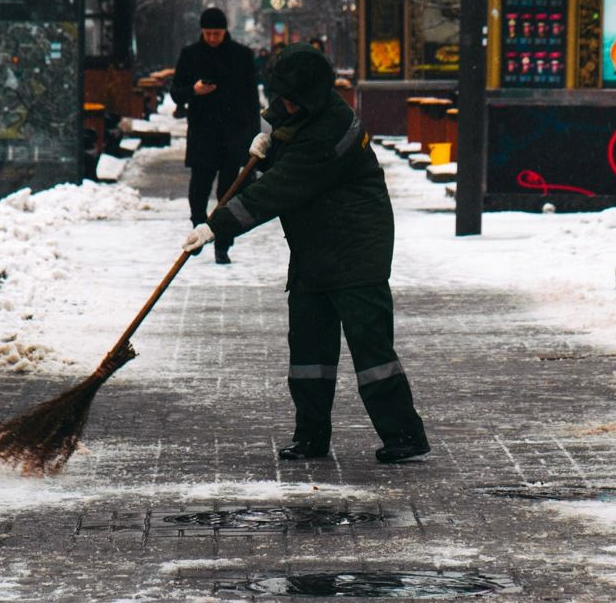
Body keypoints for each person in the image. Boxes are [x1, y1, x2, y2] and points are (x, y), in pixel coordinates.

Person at [180, 43, 430, 464]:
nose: (283, 104)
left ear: (309, 97)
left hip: (355, 249)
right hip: (316, 246)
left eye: (290, 98)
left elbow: (279, 189)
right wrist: (268, 143)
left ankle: (404, 434)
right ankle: (311, 436)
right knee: (309, 348)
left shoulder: (330, 131)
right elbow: (285, 138)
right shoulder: (306, 115)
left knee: (371, 350)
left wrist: (215, 226)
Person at [170, 7, 261, 264]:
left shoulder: (242, 56)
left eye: (217, 33)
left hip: (233, 134)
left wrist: (253, 137)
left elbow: (252, 100)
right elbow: (176, 91)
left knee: (228, 193)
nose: (212, 38)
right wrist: (194, 90)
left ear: (225, 31)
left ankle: (223, 243)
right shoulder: (190, 55)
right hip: (203, 132)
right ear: (202, 31)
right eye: (208, 33)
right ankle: (198, 230)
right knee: (199, 189)